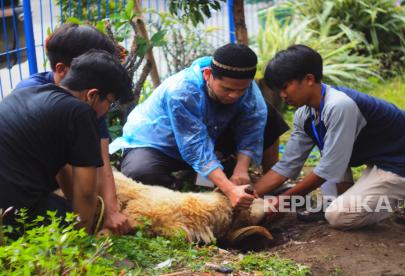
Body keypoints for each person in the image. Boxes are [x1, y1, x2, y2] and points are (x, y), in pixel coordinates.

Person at [254, 45, 405, 229]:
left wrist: (283, 200)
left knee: (339, 216)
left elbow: (329, 169)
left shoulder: (339, 105)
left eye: (286, 86)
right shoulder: (305, 114)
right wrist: (247, 195)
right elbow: (287, 166)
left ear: (309, 79)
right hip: (383, 162)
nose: (282, 94)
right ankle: (360, 198)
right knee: (333, 200)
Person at [110, 43, 287, 208]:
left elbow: (252, 125)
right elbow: (195, 147)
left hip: (212, 134)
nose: (234, 95)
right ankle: (184, 193)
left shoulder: (246, 88)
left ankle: (269, 182)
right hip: (159, 142)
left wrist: (241, 169)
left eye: (241, 90)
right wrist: (229, 189)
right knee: (141, 172)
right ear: (208, 75)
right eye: (227, 89)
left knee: (268, 116)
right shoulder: (181, 92)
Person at [14, 23, 131, 235]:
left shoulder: (43, 95)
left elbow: (100, 157)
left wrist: (110, 211)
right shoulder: (81, 110)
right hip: (20, 192)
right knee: (73, 218)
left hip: (19, 183)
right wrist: (82, 235)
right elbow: (82, 189)